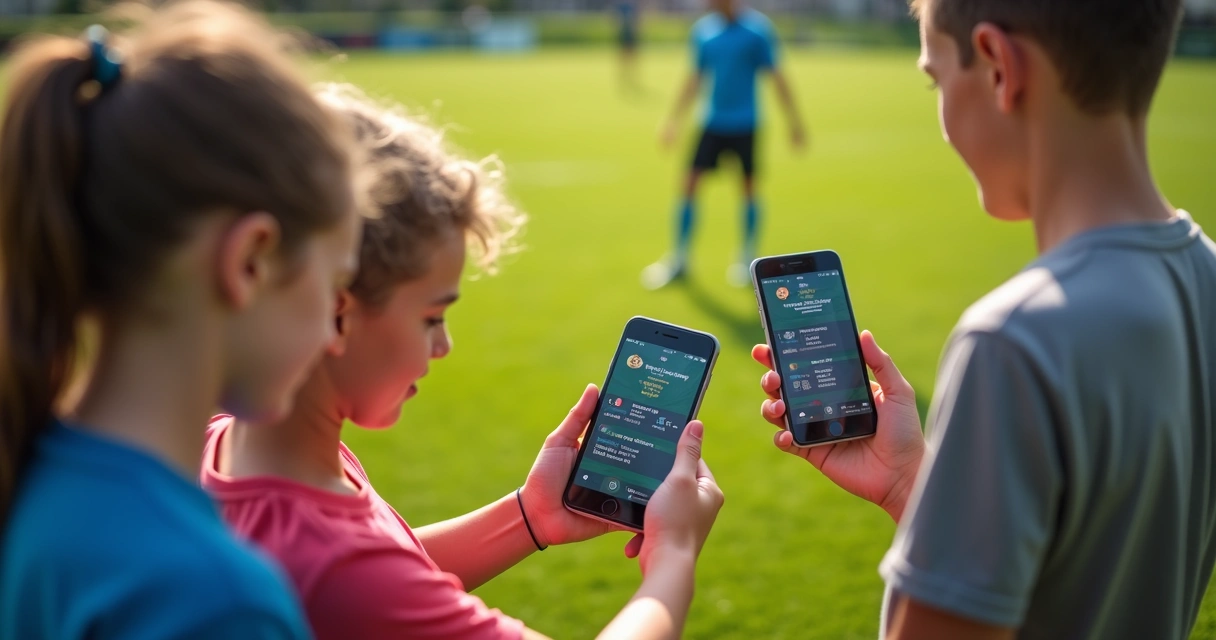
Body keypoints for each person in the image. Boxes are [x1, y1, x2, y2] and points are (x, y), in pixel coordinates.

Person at [755, 0, 1216, 638]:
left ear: (1000, 67)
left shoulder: (1014, 341)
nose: (941, 116)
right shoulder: (1206, 278)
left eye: (934, 78)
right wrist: (911, 483)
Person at [202, 86, 725, 640]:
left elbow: (387, 574)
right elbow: (363, 584)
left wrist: (528, 517)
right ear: (337, 310)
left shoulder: (224, 440)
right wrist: (674, 554)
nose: (444, 344)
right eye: (431, 317)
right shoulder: (331, 566)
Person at [0, 2, 363, 638]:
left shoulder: (31, 465)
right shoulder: (213, 597)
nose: (333, 333)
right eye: (335, 286)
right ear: (250, 260)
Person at [645, 0, 805, 290]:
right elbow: (695, 78)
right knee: (689, 185)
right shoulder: (703, 31)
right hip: (711, 123)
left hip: (745, 124)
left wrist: (794, 122)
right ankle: (680, 259)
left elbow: (776, 76)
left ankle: (747, 259)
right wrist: (673, 120)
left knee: (748, 190)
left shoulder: (757, 31)